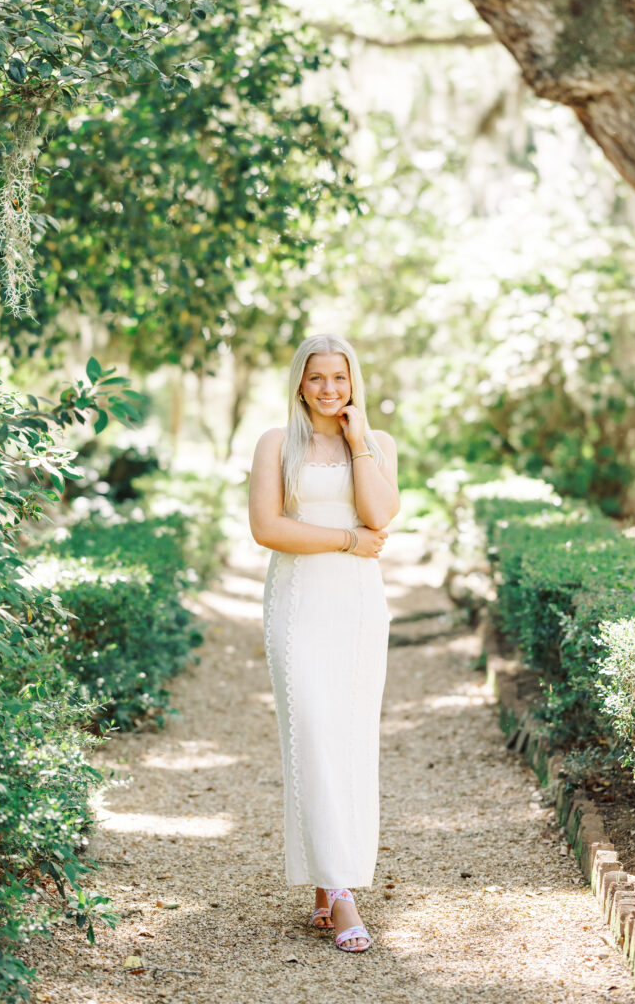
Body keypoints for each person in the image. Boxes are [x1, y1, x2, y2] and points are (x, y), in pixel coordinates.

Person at [248, 333, 400, 953]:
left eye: (340, 378)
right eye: (318, 379)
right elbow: (268, 528)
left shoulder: (378, 443)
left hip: (360, 610)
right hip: (299, 604)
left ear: (353, 381)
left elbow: (381, 514)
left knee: (350, 741)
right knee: (310, 732)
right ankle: (342, 893)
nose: (329, 390)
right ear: (299, 383)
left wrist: (361, 442)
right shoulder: (277, 443)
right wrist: (345, 539)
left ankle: (325, 883)